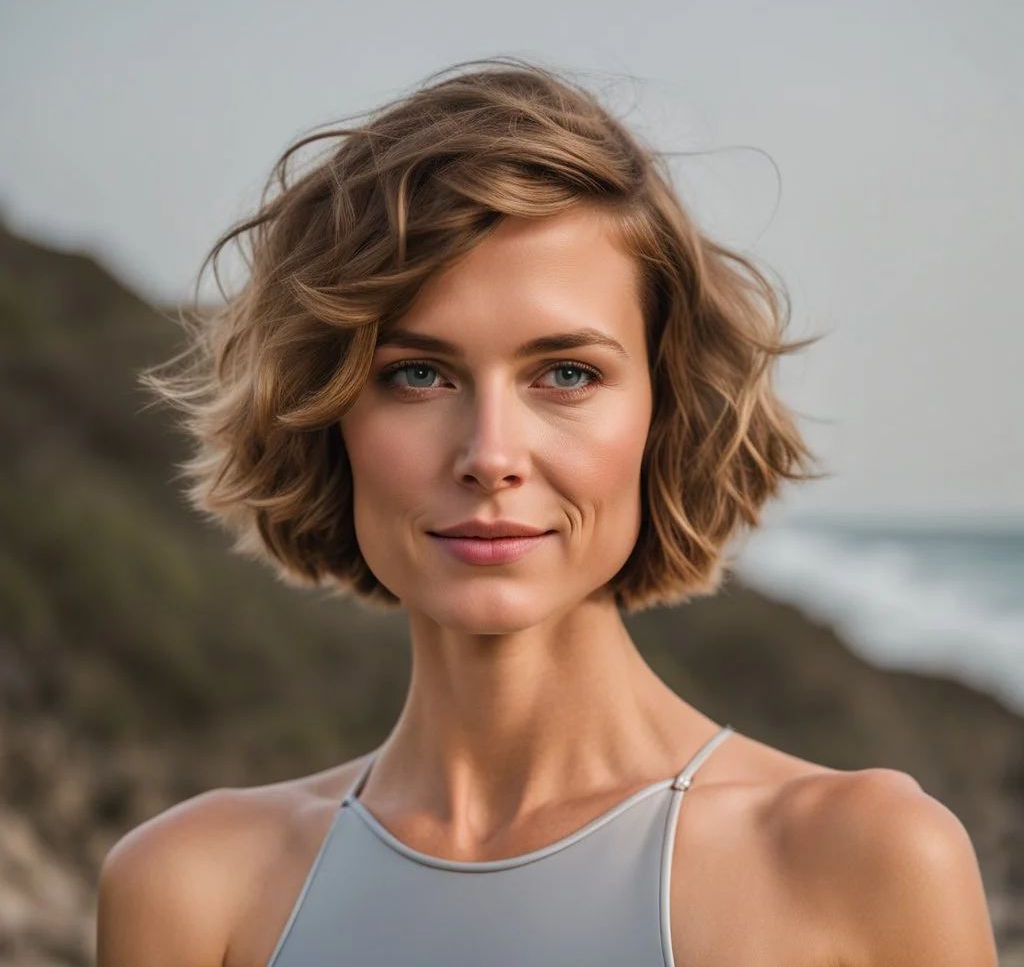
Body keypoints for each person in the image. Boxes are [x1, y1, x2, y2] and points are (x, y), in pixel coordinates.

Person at [97, 57, 998, 966]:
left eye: (566, 374)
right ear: (326, 416)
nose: (491, 454)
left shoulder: (864, 859)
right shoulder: (191, 888)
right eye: (418, 374)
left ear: (666, 411)